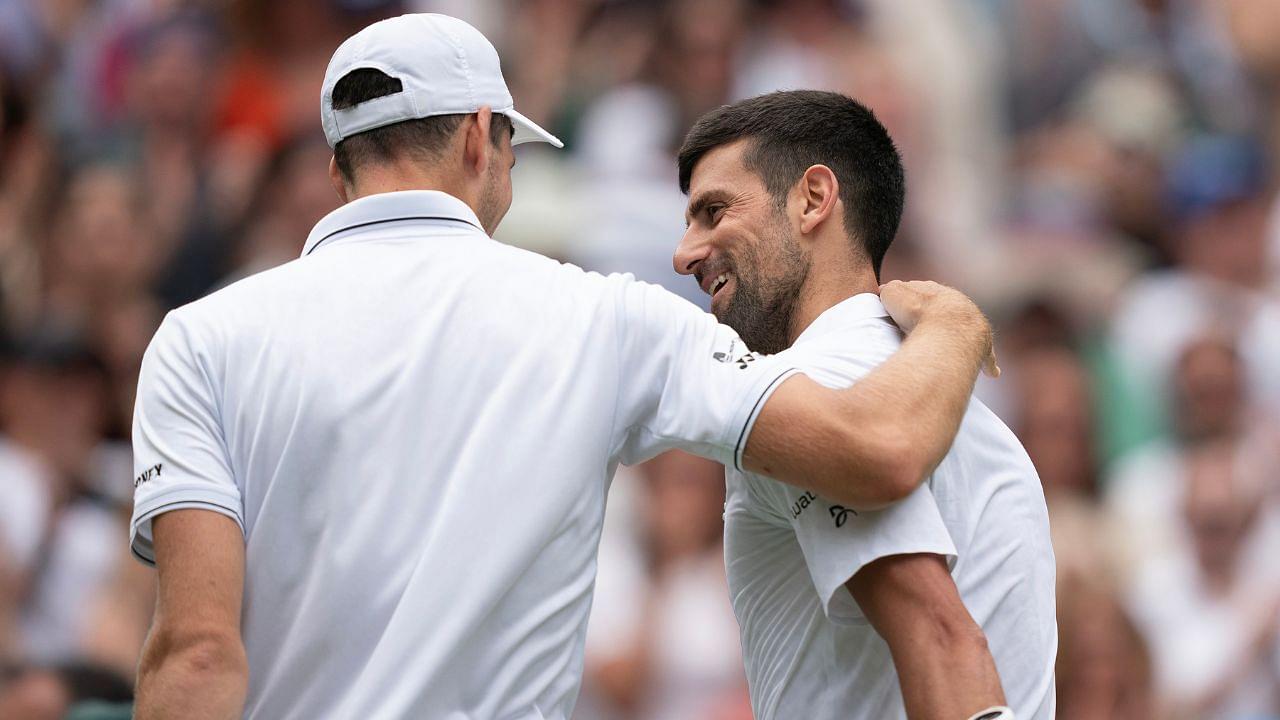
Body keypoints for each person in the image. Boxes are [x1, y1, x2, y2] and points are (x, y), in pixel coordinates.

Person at [129, 15, 996, 720]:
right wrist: (955, 322)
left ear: (337, 166)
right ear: (481, 138)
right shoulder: (603, 317)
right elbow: (882, 449)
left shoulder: (198, 340)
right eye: (511, 149)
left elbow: (196, 655)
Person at [673, 90, 1056, 720]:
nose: (683, 253)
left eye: (714, 211)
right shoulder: (964, 404)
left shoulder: (810, 388)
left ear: (814, 199)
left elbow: (940, 636)